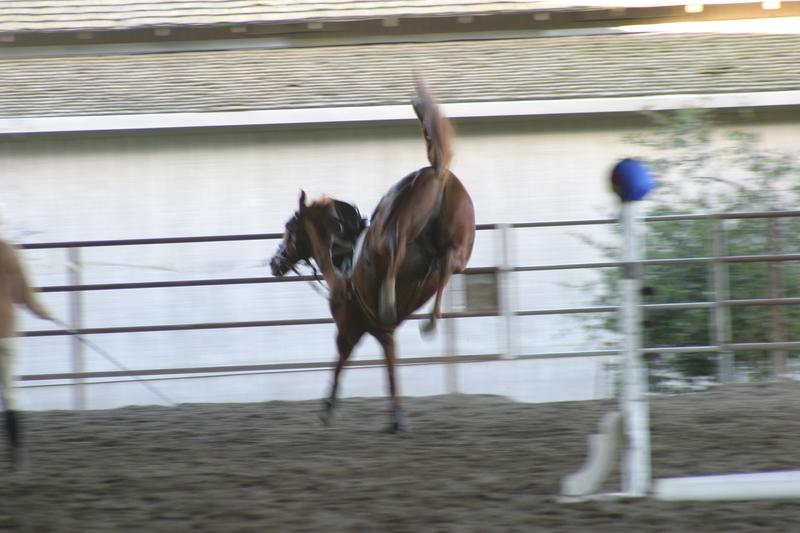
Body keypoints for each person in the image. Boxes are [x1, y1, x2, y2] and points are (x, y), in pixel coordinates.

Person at [0, 236, 52, 467]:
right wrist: (42, 312)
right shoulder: (8, 250)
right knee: (9, 394)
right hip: (6, 331)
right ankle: (17, 453)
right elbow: (24, 293)